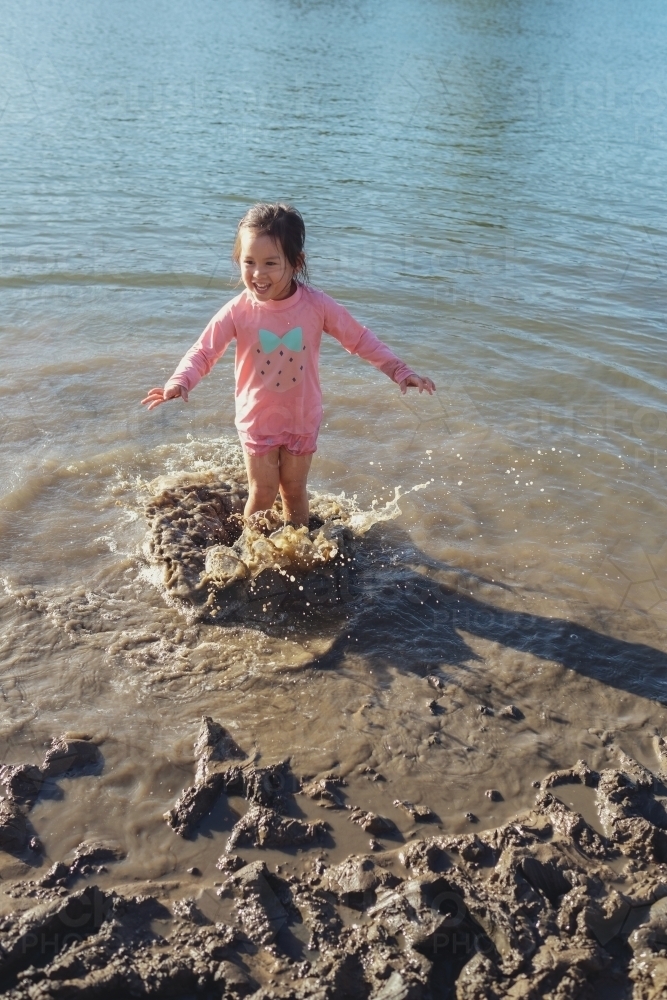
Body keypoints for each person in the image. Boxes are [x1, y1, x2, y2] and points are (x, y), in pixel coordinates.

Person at [141, 203, 435, 527]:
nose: (257, 274)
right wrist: (180, 380)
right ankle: (250, 554)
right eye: (248, 262)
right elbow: (204, 350)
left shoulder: (317, 305)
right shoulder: (237, 310)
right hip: (257, 418)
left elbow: (360, 339)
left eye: (270, 263)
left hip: (302, 416)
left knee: (294, 490)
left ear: (295, 263)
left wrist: (399, 370)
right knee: (262, 492)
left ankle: (299, 547)